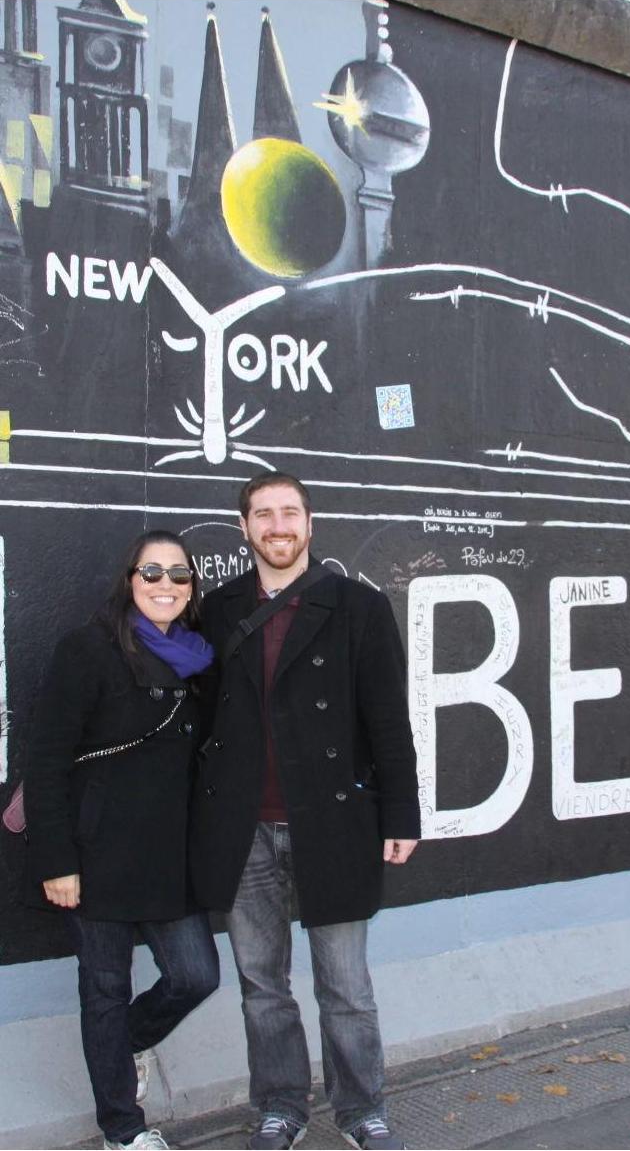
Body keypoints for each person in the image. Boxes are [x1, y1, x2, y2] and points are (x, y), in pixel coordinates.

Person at [190, 472, 420, 1151]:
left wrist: (401, 815)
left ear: (310, 525)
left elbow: (388, 719)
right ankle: (280, 1108)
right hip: (239, 828)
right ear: (245, 529)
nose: (278, 526)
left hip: (333, 821)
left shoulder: (359, 606)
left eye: (289, 512)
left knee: (345, 986)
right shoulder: (219, 609)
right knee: (262, 985)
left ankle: (360, 1111)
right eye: (263, 515)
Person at [23, 531, 220, 1151]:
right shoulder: (88, 650)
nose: (166, 584)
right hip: (95, 852)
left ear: (192, 589)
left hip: (168, 856)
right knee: (103, 990)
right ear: (130, 581)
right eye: (152, 572)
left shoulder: (199, 659)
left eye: (179, 575)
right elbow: (48, 759)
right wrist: (57, 860)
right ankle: (123, 1130)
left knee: (196, 975)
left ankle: (125, 1044)